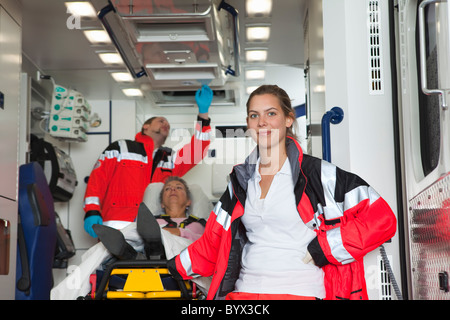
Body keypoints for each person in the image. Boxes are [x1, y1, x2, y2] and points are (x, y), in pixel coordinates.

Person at [167, 84, 397, 300]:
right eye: (254, 115)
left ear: (288, 119)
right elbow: (212, 242)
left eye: (271, 114)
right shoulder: (240, 181)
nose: (262, 122)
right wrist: (170, 269)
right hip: (245, 293)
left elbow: (382, 219)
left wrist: (325, 248)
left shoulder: (318, 174)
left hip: (300, 290)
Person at [83, 84, 213, 237]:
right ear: (146, 126)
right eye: (161, 121)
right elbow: (98, 179)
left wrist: (203, 113)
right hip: (116, 223)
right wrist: (91, 210)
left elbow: (197, 150)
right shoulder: (121, 147)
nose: (166, 125)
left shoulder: (169, 157)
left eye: (168, 125)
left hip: (153, 227)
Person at [93, 176, 206, 261]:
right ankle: (125, 250)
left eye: (178, 187)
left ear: (188, 202)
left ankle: (142, 253)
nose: (173, 190)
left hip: (184, 258)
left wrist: (179, 232)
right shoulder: (149, 221)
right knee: (141, 235)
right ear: (162, 203)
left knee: (153, 237)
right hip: (150, 256)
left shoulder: (198, 224)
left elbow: (205, 244)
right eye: (167, 189)